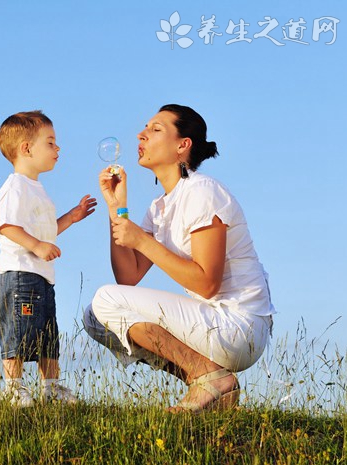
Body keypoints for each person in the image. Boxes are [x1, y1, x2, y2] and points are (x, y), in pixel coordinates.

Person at [83, 104, 275, 413]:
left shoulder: (203, 191)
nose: (141, 134)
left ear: (182, 145)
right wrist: (116, 207)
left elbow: (207, 283)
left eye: (156, 129)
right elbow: (128, 277)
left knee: (105, 299)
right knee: (95, 317)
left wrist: (143, 240)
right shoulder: (159, 208)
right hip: (210, 325)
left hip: (238, 326)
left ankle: (208, 378)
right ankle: (209, 383)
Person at [0, 110, 97, 407]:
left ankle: (50, 386)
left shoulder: (36, 189)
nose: (57, 149)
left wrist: (72, 218)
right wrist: (37, 246)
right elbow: (6, 225)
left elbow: (47, 232)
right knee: (18, 331)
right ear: (26, 148)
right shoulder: (15, 187)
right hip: (18, 273)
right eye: (50, 143)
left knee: (47, 332)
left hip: (41, 276)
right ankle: (13, 387)